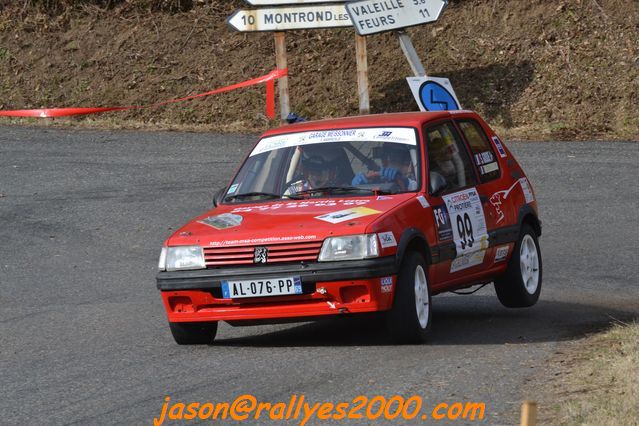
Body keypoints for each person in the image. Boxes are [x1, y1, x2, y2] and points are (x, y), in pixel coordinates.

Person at [351, 144, 418, 191]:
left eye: (395, 159)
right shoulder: (372, 180)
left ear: (410, 164)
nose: (385, 164)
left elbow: (415, 190)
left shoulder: (415, 183)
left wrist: (403, 181)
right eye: (384, 157)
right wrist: (356, 188)